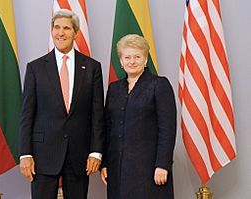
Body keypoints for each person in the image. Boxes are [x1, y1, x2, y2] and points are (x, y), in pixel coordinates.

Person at [19, 9, 104, 199]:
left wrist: (96, 152)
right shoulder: (35, 68)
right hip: (43, 155)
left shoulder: (92, 67)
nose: (61, 33)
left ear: (76, 33)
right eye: (56, 28)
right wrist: (25, 154)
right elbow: (26, 114)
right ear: (51, 31)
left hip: (79, 154)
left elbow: (97, 114)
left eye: (66, 28)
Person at [100, 34, 176, 199]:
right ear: (121, 61)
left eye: (137, 57)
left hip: (149, 168)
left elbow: (167, 129)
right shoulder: (114, 89)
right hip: (117, 168)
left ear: (145, 59)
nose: (132, 61)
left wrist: (163, 165)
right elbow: (107, 128)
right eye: (127, 57)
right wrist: (104, 163)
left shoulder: (159, 85)